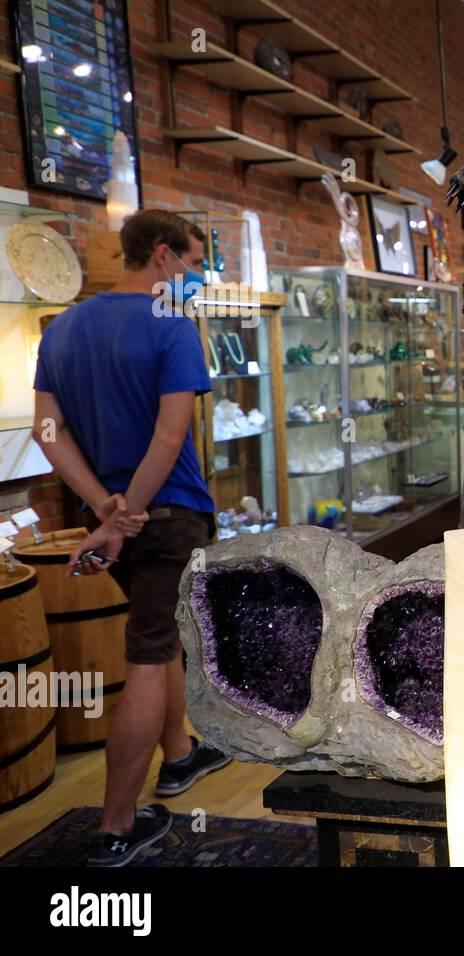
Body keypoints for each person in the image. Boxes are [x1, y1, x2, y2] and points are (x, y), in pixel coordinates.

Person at [32, 209, 231, 867]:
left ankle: (180, 756)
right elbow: (170, 437)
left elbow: (48, 433)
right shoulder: (171, 324)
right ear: (165, 255)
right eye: (195, 262)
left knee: (160, 630)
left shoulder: (62, 329)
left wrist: (102, 509)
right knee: (148, 651)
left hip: (115, 517)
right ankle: (116, 826)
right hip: (164, 515)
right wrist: (125, 516)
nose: (197, 276)